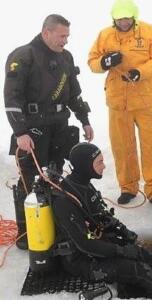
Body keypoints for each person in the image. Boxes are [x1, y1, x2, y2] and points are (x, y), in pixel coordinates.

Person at [4, 14, 93, 249]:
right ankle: (27, 234)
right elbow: (11, 98)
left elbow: (74, 94)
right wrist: (20, 132)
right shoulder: (24, 56)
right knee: (30, 180)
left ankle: (55, 224)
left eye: (67, 36)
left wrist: (84, 120)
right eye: (62, 36)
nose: (65, 41)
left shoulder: (66, 57)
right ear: (46, 32)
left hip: (59, 126)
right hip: (32, 128)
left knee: (54, 176)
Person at [51, 142, 152, 297]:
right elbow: (84, 243)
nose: (104, 166)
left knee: (146, 255)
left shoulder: (83, 185)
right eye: (99, 162)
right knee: (137, 270)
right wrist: (121, 251)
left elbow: (101, 215)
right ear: (85, 166)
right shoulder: (65, 201)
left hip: (98, 244)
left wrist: (124, 232)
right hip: (81, 261)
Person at [88, 0, 152, 207]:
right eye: (119, 18)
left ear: (134, 16)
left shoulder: (149, 32)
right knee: (122, 147)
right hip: (117, 102)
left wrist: (139, 72)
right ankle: (128, 187)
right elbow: (92, 62)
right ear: (114, 18)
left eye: (127, 18)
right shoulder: (105, 35)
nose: (123, 22)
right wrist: (105, 62)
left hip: (145, 101)